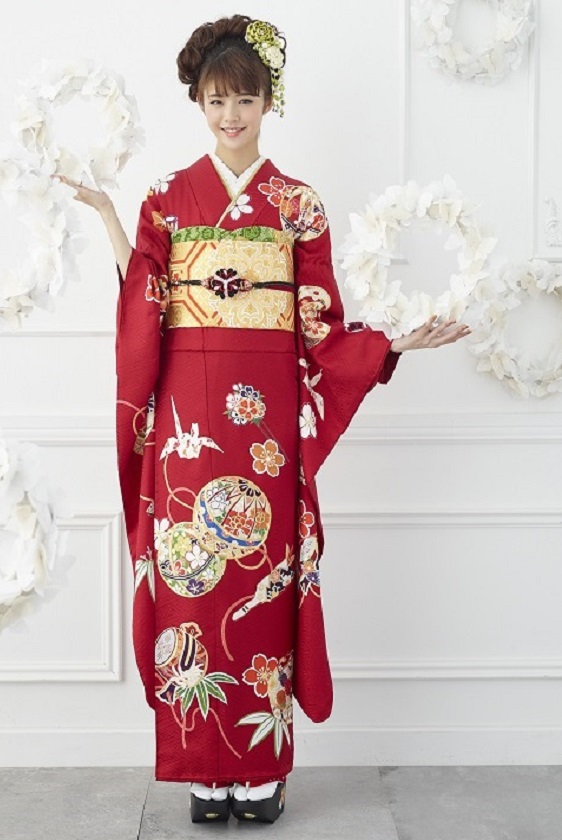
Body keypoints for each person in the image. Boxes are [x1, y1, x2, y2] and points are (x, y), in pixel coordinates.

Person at [54, 13, 470, 825]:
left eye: (244, 99)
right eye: (216, 100)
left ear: (268, 100)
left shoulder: (298, 204)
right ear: (198, 103)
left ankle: (258, 773)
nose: (230, 115)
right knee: (191, 580)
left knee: (260, 585)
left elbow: (319, 326)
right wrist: (109, 218)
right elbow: (145, 301)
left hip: (267, 426)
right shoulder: (166, 197)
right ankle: (203, 773)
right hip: (186, 419)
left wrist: (389, 345)